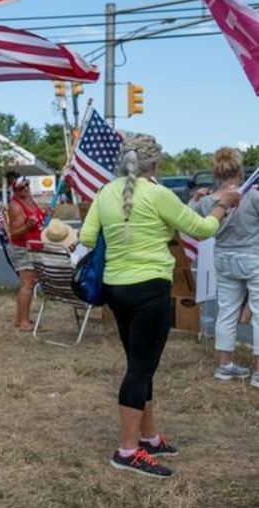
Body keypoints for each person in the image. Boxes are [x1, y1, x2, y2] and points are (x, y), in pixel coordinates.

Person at [79, 133, 237, 478]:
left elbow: (87, 236)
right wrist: (223, 204)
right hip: (150, 288)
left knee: (141, 364)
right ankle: (127, 451)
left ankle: (147, 437)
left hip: (116, 288)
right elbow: (202, 229)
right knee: (140, 369)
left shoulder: (105, 192)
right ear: (155, 163)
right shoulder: (157, 194)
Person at [191, 148, 258, 387]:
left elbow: (190, 218)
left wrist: (195, 198)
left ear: (216, 173)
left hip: (222, 257)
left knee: (226, 310)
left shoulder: (208, 201)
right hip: (252, 257)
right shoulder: (252, 196)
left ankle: (225, 365)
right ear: (240, 171)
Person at [6, 175, 46, 331]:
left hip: (32, 247)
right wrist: (27, 226)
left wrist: (46, 214)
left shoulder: (30, 200)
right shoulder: (15, 207)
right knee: (27, 284)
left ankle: (22, 318)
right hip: (22, 248)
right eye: (21, 188)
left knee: (30, 283)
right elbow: (14, 233)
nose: (26, 189)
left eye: (27, 185)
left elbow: (38, 220)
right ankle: (23, 322)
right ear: (15, 191)